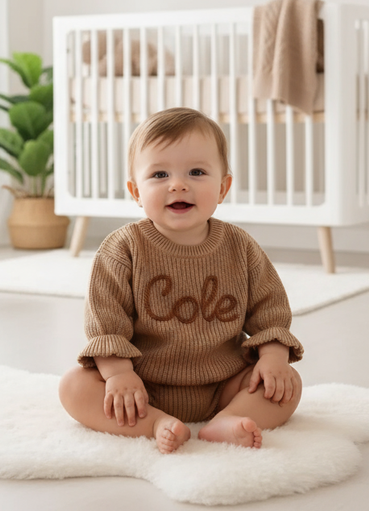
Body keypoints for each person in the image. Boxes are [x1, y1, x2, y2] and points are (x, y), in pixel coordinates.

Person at [59, 107, 303, 454]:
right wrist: (117, 375)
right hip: (141, 386)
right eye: (159, 174)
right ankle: (156, 422)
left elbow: (271, 312)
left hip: (225, 384)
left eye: (196, 172)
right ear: (136, 192)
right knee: (74, 386)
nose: (178, 184)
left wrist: (274, 358)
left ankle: (228, 420)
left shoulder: (241, 247)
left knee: (287, 384)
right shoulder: (122, 249)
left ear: (223, 187)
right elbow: (105, 324)